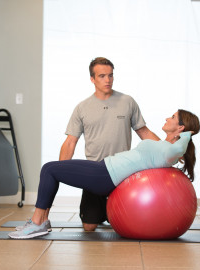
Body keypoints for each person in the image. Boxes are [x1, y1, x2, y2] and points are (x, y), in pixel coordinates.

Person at [8, 109, 200, 239]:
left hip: (106, 175)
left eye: (173, 117)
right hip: (104, 168)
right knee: (51, 169)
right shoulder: (164, 147)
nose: (167, 118)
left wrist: (186, 135)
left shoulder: (169, 151)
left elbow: (178, 150)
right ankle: (42, 221)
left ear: (181, 128)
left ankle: (37, 223)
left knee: (49, 169)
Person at [59, 57, 160, 232]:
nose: (108, 80)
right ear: (92, 79)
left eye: (111, 76)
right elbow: (70, 142)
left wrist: (165, 149)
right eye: (102, 76)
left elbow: (144, 132)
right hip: (94, 173)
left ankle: (110, 213)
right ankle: (102, 213)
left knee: (126, 225)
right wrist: (60, 171)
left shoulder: (127, 101)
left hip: (122, 171)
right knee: (89, 227)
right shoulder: (82, 108)